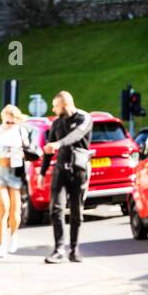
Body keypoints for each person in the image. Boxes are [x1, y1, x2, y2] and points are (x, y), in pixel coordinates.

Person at [41, 91, 92, 263]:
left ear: (64, 104)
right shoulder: (56, 123)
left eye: (55, 105)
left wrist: (58, 143)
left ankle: (74, 249)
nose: (53, 109)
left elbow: (76, 135)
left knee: (77, 211)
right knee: (56, 209)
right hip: (61, 170)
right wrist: (42, 172)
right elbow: (49, 149)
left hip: (79, 170)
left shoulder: (84, 118)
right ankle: (59, 249)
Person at [0, 105, 31, 258]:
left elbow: (28, 150)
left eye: (13, 122)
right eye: (7, 122)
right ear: (2, 118)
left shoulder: (21, 131)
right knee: (4, 208)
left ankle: (14, 236)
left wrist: (24, 152)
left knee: (15, 210)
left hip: (15, 172)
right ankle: (2, 246)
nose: (10, 125)